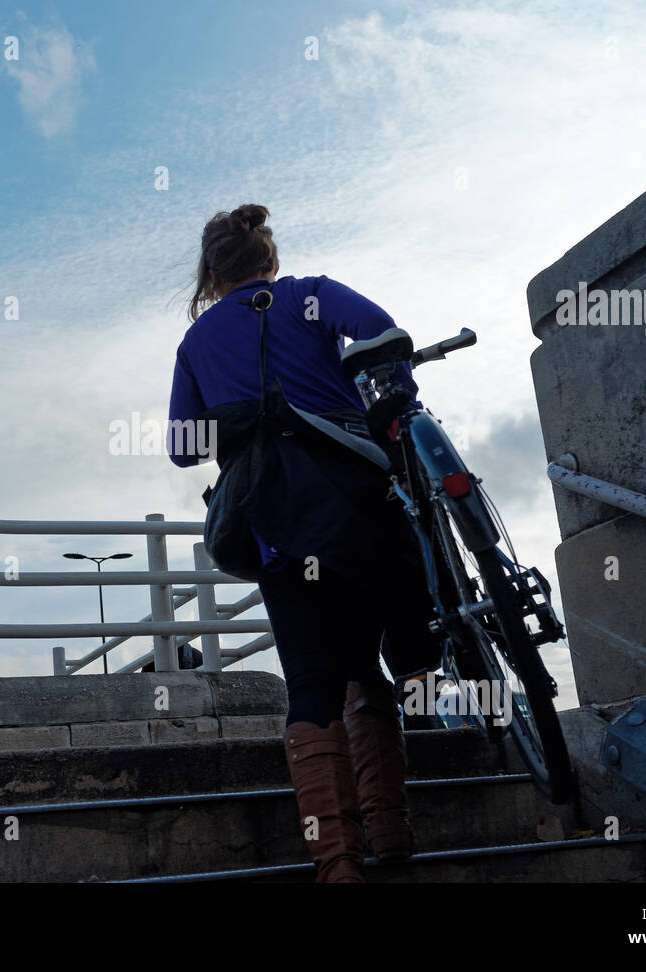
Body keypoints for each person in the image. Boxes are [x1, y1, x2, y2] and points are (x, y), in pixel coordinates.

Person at [167, 203, 441, 883]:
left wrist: (235, 426)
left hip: (275, 527)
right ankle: (391, 834)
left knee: (313, 688)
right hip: (359, 505)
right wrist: (372, 394)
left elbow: (180, 447)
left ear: (210, 273)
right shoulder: (309, 296)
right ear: (270, 258)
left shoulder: (197, 342)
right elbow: (381, 330)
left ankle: (338, 866)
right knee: (370, 673)